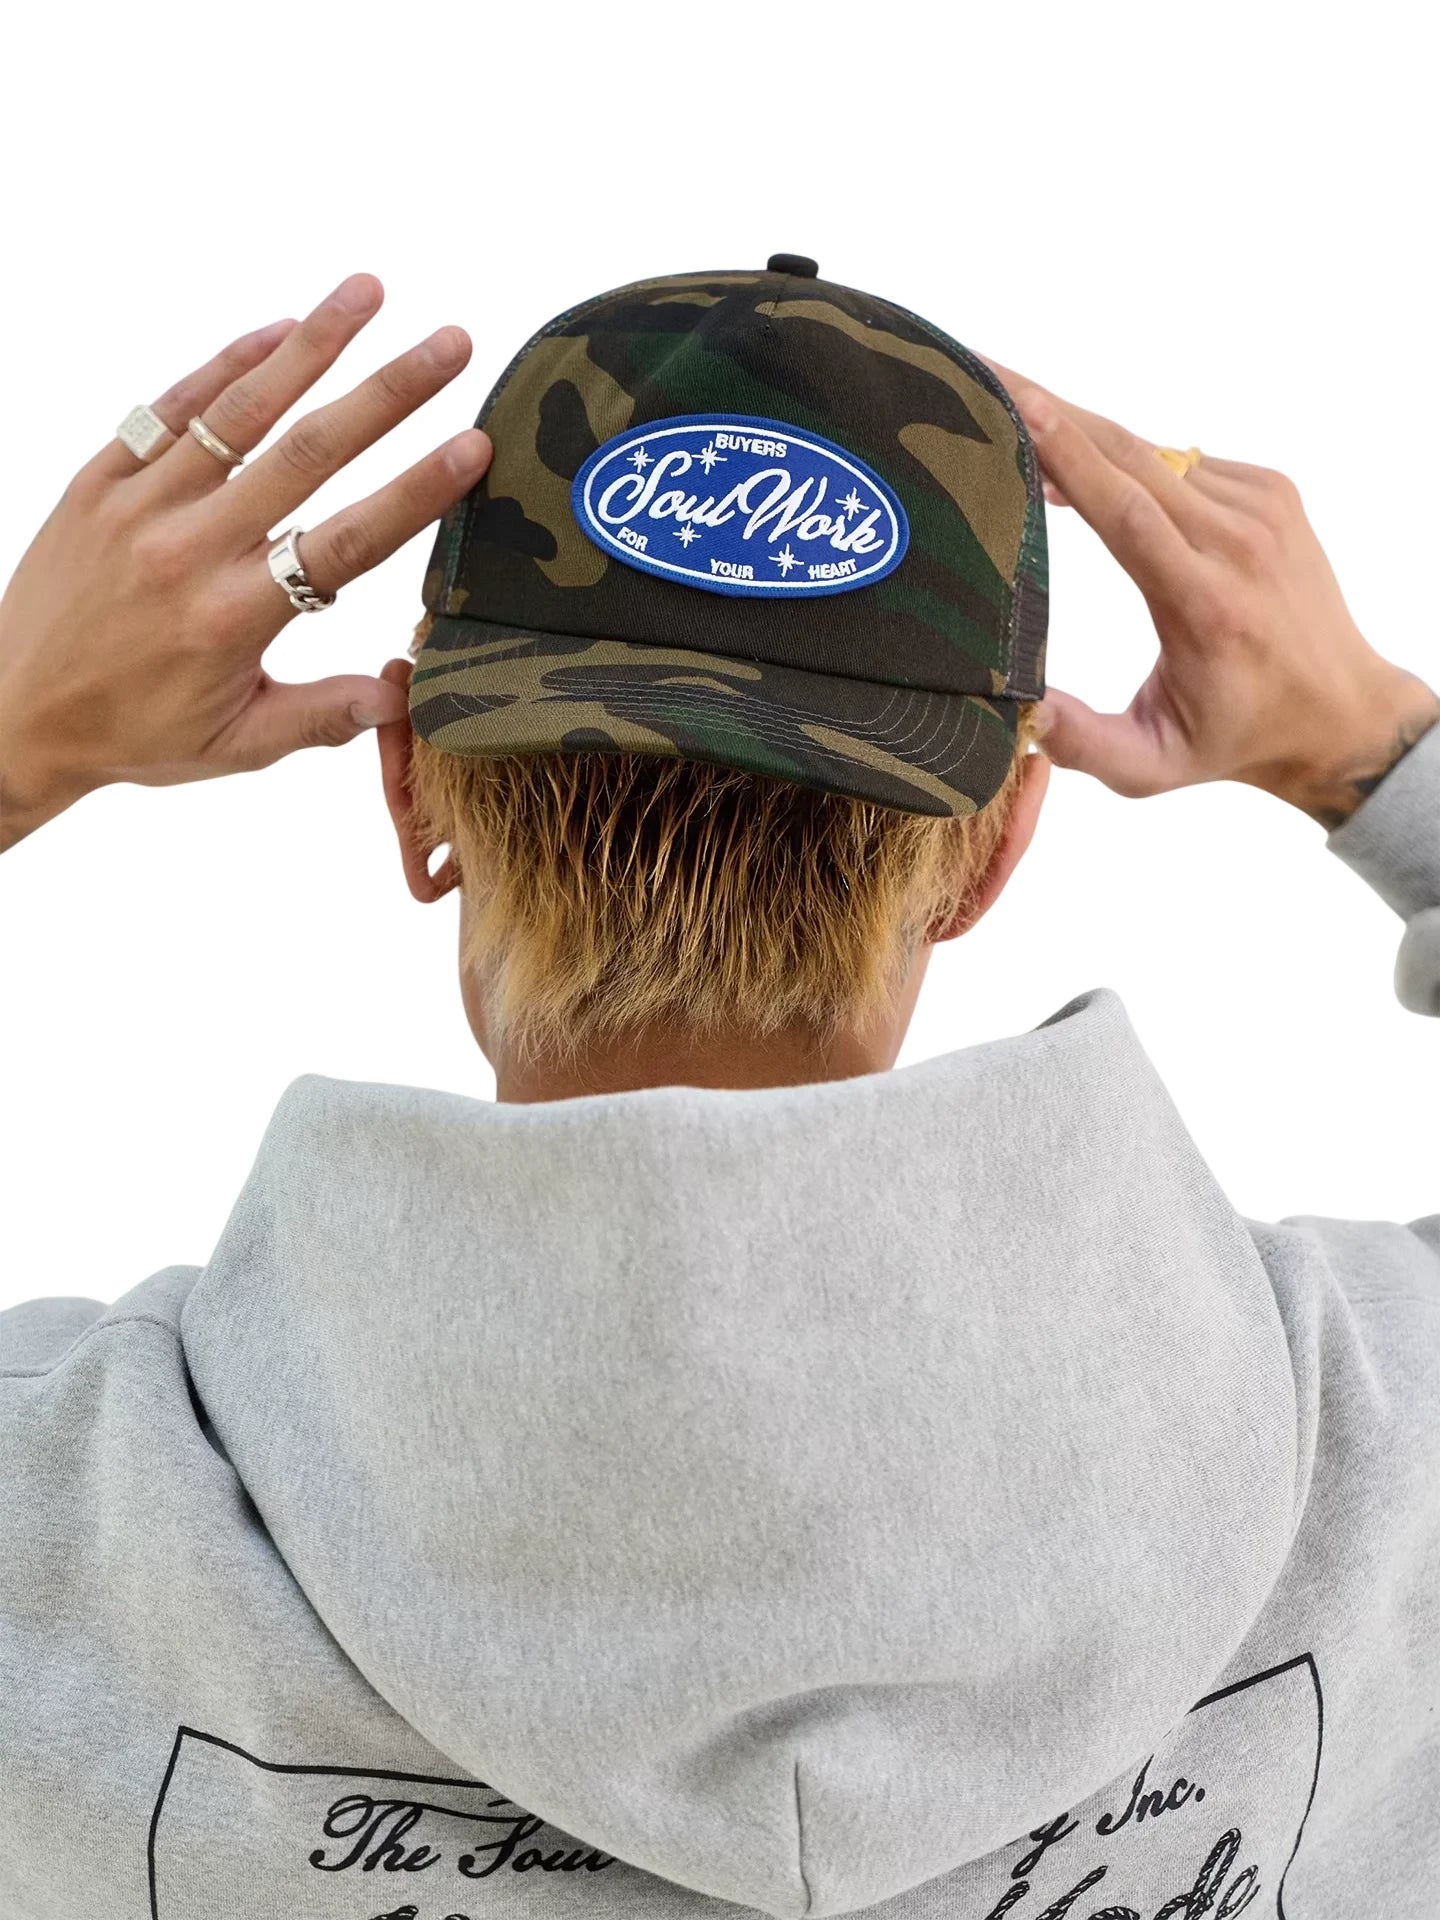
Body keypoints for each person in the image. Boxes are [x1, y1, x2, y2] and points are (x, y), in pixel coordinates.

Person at [0, 260, 1435, 1920]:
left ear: (406, 788)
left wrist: (20, 740)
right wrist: (1370, 750)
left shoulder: (61, 1518)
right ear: (994, 855)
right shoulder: (1386, 1446)